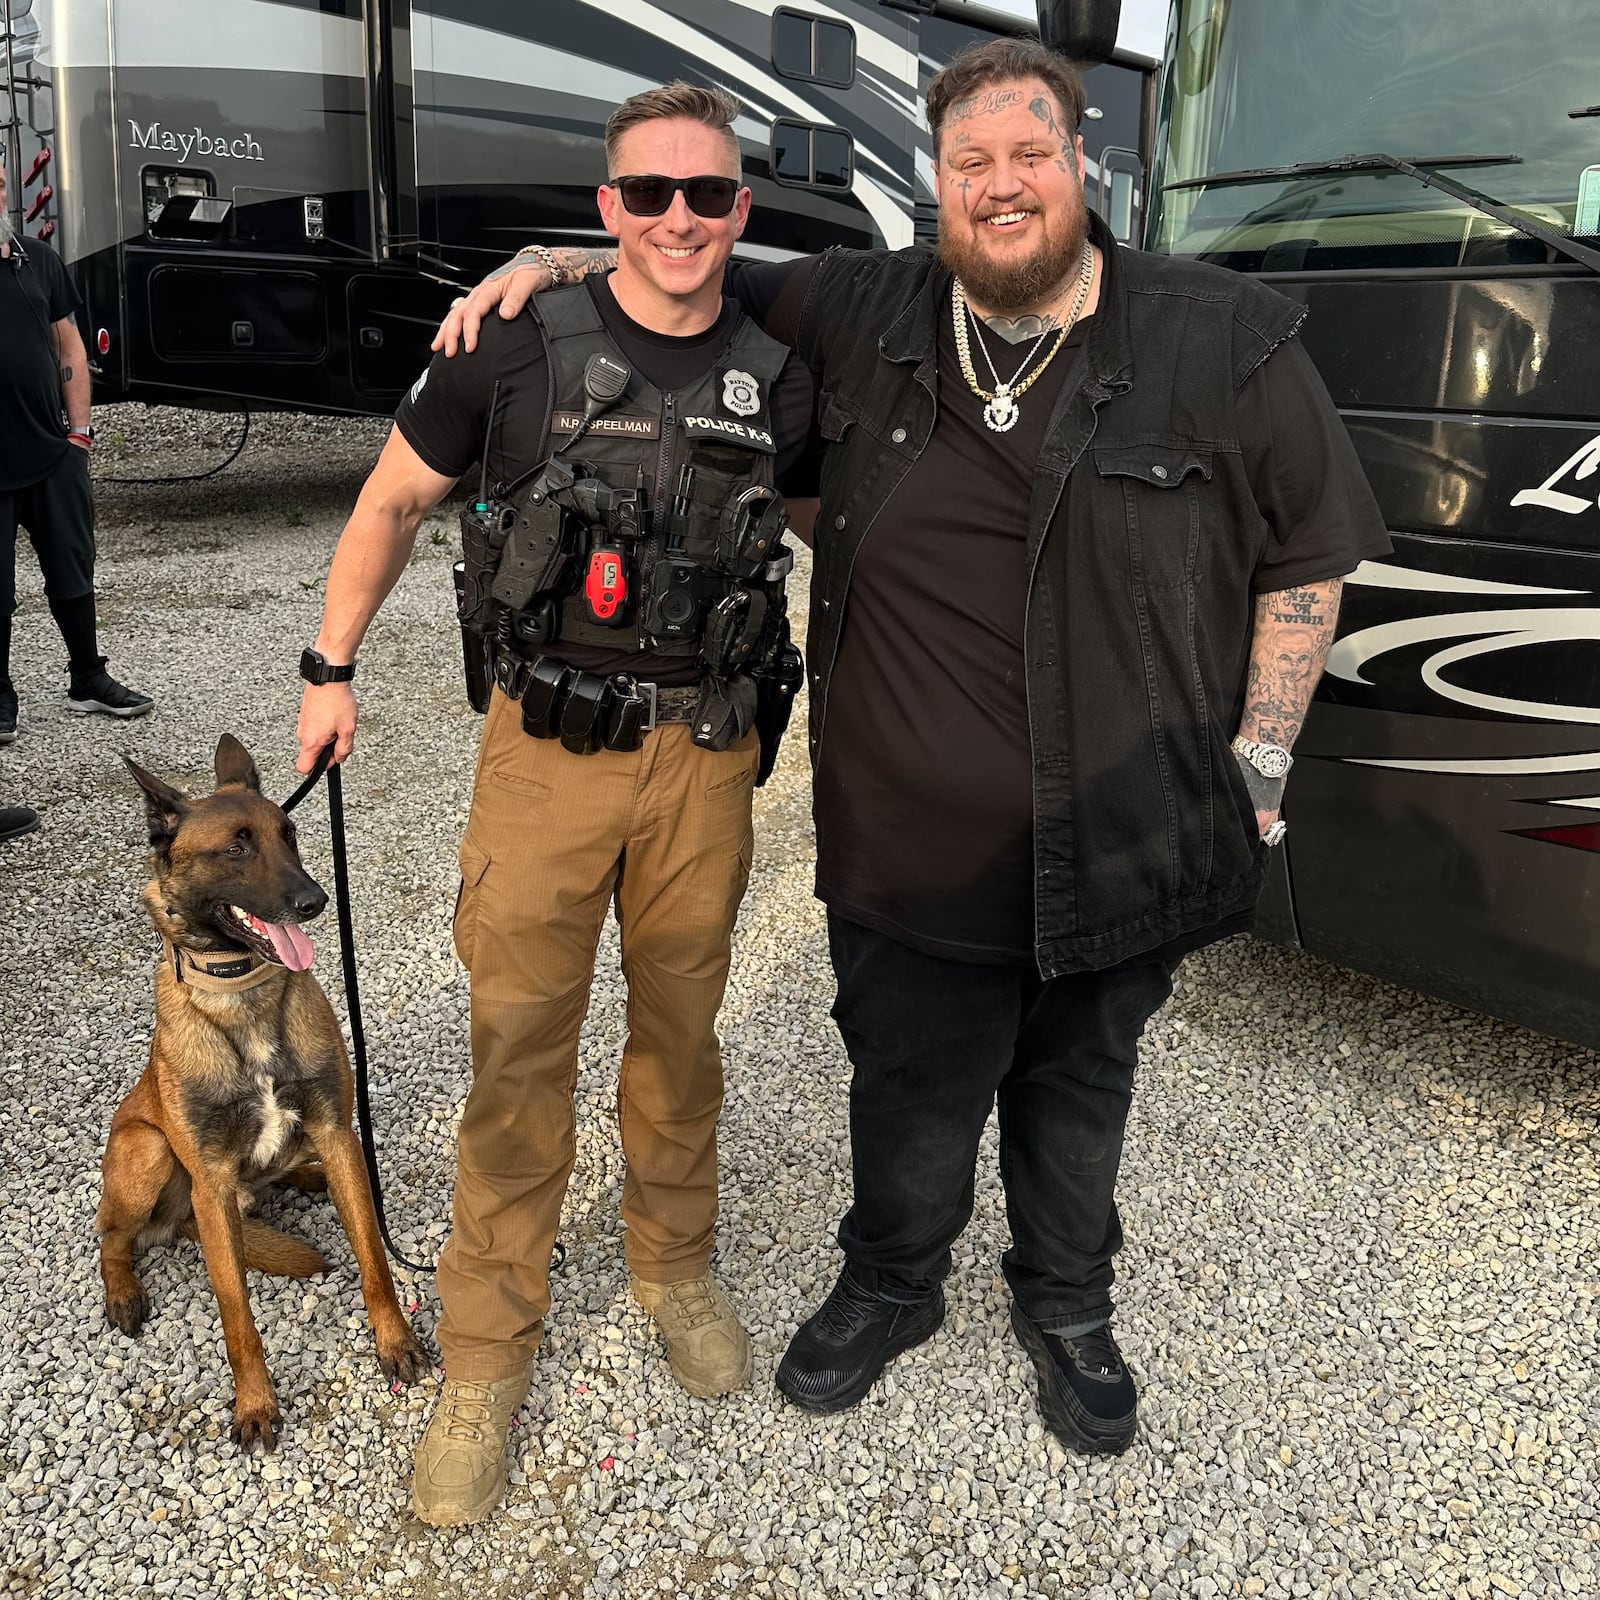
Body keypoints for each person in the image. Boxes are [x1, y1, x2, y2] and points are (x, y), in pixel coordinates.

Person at [436, 38, 1392, 1457]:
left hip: (1126, 826)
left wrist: (1257, 764)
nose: (1002, 187)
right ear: (936, 184)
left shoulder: (1218, 337)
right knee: (908, 1085)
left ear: (1084, 164)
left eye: (1031, 155)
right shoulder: (870, 304)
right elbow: (679, 262)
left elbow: (1309, 563)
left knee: (1078, 1088)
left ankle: (1067, 1302)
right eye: (970, 165)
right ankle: (892, 1282)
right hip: (909, 831)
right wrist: (550, 258)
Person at [295, 83, 813, 1526]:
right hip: (545, 759)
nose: (678, 220)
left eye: (706, 195)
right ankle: (485, 1350)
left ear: (739, 209)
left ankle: (671, 1261)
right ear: (606, 207)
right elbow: (392, 505)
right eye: (647, 194)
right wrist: (326, 668)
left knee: (679, 1033)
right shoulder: (511, 343)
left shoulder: (780, 369)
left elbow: (854, 535)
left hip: (704, 759)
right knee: (518, 1048)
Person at [0, 159, 152, 742]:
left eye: (1, 183)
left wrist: (80, 435)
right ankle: (0, 697)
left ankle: (88, 678)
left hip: (51, 450)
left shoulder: (36, 261)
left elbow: (69, 341)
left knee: (72, 567)